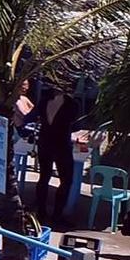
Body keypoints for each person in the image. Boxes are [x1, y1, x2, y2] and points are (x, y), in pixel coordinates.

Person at [32, 82, 78, 223]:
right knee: (66, 180)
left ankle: (41, 211)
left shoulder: (44, 101)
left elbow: (35, 116)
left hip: (45, 141)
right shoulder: (72, 104)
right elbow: (75, 124)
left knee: (44, 177)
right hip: (61, 144)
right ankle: (57, 215)